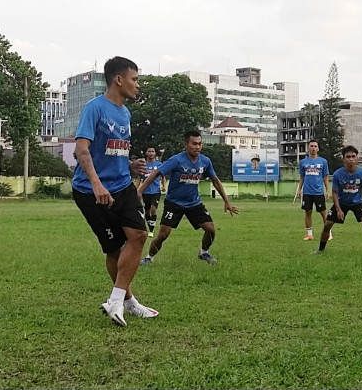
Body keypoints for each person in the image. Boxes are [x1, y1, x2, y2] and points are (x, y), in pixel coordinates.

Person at [71, 56, 158, 327]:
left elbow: (113, 149)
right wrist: (97, 184)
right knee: (113, 249)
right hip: (90, 191)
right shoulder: (94, 108)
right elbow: (81, 149)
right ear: (118, 80)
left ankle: (117, 300)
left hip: (122, 186)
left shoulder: (126, 113)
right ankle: (127, 301)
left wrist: (130, 164)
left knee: (139, 234)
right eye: (134, 79)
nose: (137, 85)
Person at [137, 130, 238, 266]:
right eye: (194, 144)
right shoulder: (176, 160)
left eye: (200, 144)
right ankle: (149, 257)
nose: (197, 147)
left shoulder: (205, 161)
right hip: (174, 203)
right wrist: (140, 191)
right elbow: (156, 173)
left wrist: (227, 201)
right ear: (186, 144)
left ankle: (204, 252)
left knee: (210, 229)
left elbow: (215, 180)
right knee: (163, 235)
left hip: (194, 203)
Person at [315, 145, 362, 258]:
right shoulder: (338, 174)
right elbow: (334, 192)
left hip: (358, 202)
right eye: (348, 156)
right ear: (343, 159)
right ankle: (320, 250)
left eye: (353, 156)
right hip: (341, 202)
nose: (351, 159)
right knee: (327, 224)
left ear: (357, 158)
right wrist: (338, 209)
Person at [296, 139, 332, 241]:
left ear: (318, 148)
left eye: (315, 146)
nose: (313, 148)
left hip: (319, 192)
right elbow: (302, 177)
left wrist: (327, 190)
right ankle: (309, 234)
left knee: (323, 213)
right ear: (308, 148)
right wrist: (299, 190)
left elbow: (325, 177)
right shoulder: (303, 162)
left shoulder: (323, 161)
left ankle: (328, 233)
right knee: (308, 212)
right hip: (307, 192)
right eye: (311, 146)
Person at [140, 147, 165, 238]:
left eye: (152, 151)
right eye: (149, 151)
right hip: (145, 191)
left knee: (153, 209)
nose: (151, 153)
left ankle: (151, 229)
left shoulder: (159, 164)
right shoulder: (143, 165)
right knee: (146, 211)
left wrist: (163, 186)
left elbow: (163, 176)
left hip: (156, 191)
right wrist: (137, 189)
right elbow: (140, 178)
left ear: (155, 153)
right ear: (146, 153)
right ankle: (150, 227)